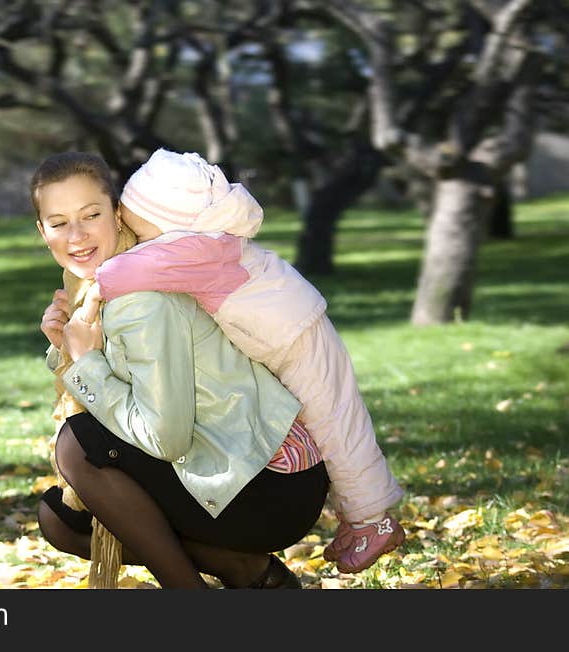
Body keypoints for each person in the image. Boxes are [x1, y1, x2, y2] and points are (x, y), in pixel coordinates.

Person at [94, 148, 406, 574]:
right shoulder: (206, 241)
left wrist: (92, 286)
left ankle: (375, 521)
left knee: (338, 427)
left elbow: (119, 274)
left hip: (293, 337)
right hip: (290, 329)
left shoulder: (195, 248)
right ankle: (361, 519)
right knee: (337, 423)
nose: (136, 239)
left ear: (166, 220)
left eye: (139, 229)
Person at [32, 151, 330, 589]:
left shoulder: (140, 298)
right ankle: (250, 572)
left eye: (90, 214)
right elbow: (123, 381)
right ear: (43, 231)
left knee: (78, 447)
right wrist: (68, 346)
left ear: (117, 215)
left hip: (271, 483)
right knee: (60, 520)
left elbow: (164, 437)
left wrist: (86, 362)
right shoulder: (101, 287)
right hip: (231, 465)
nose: (76, 235)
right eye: (58, 222)